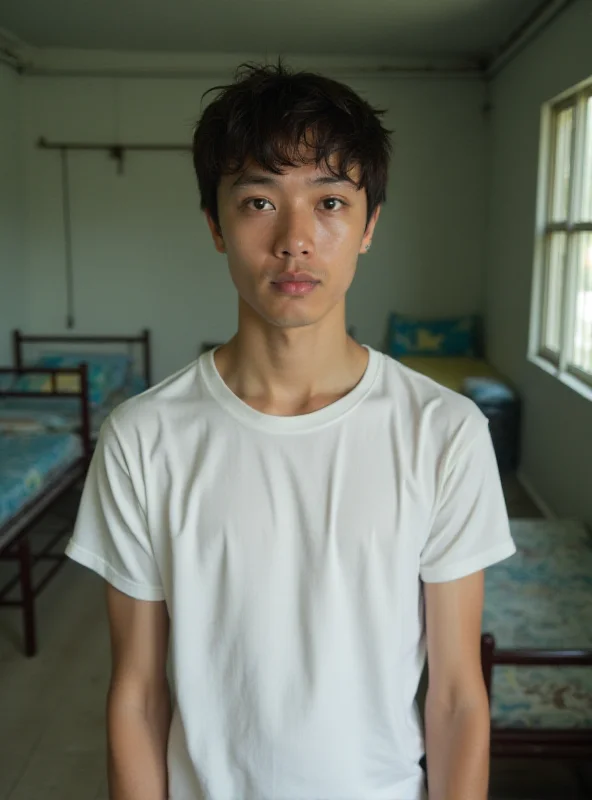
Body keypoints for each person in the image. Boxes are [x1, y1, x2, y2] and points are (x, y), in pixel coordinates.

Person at [65, 58, 516, 800]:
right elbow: (138, 695)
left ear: (370, 225)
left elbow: (458, 697)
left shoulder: (443, 432)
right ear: (216, 224)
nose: (296, 239)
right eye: (258, 201)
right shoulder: (142, 438)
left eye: (331, 201)